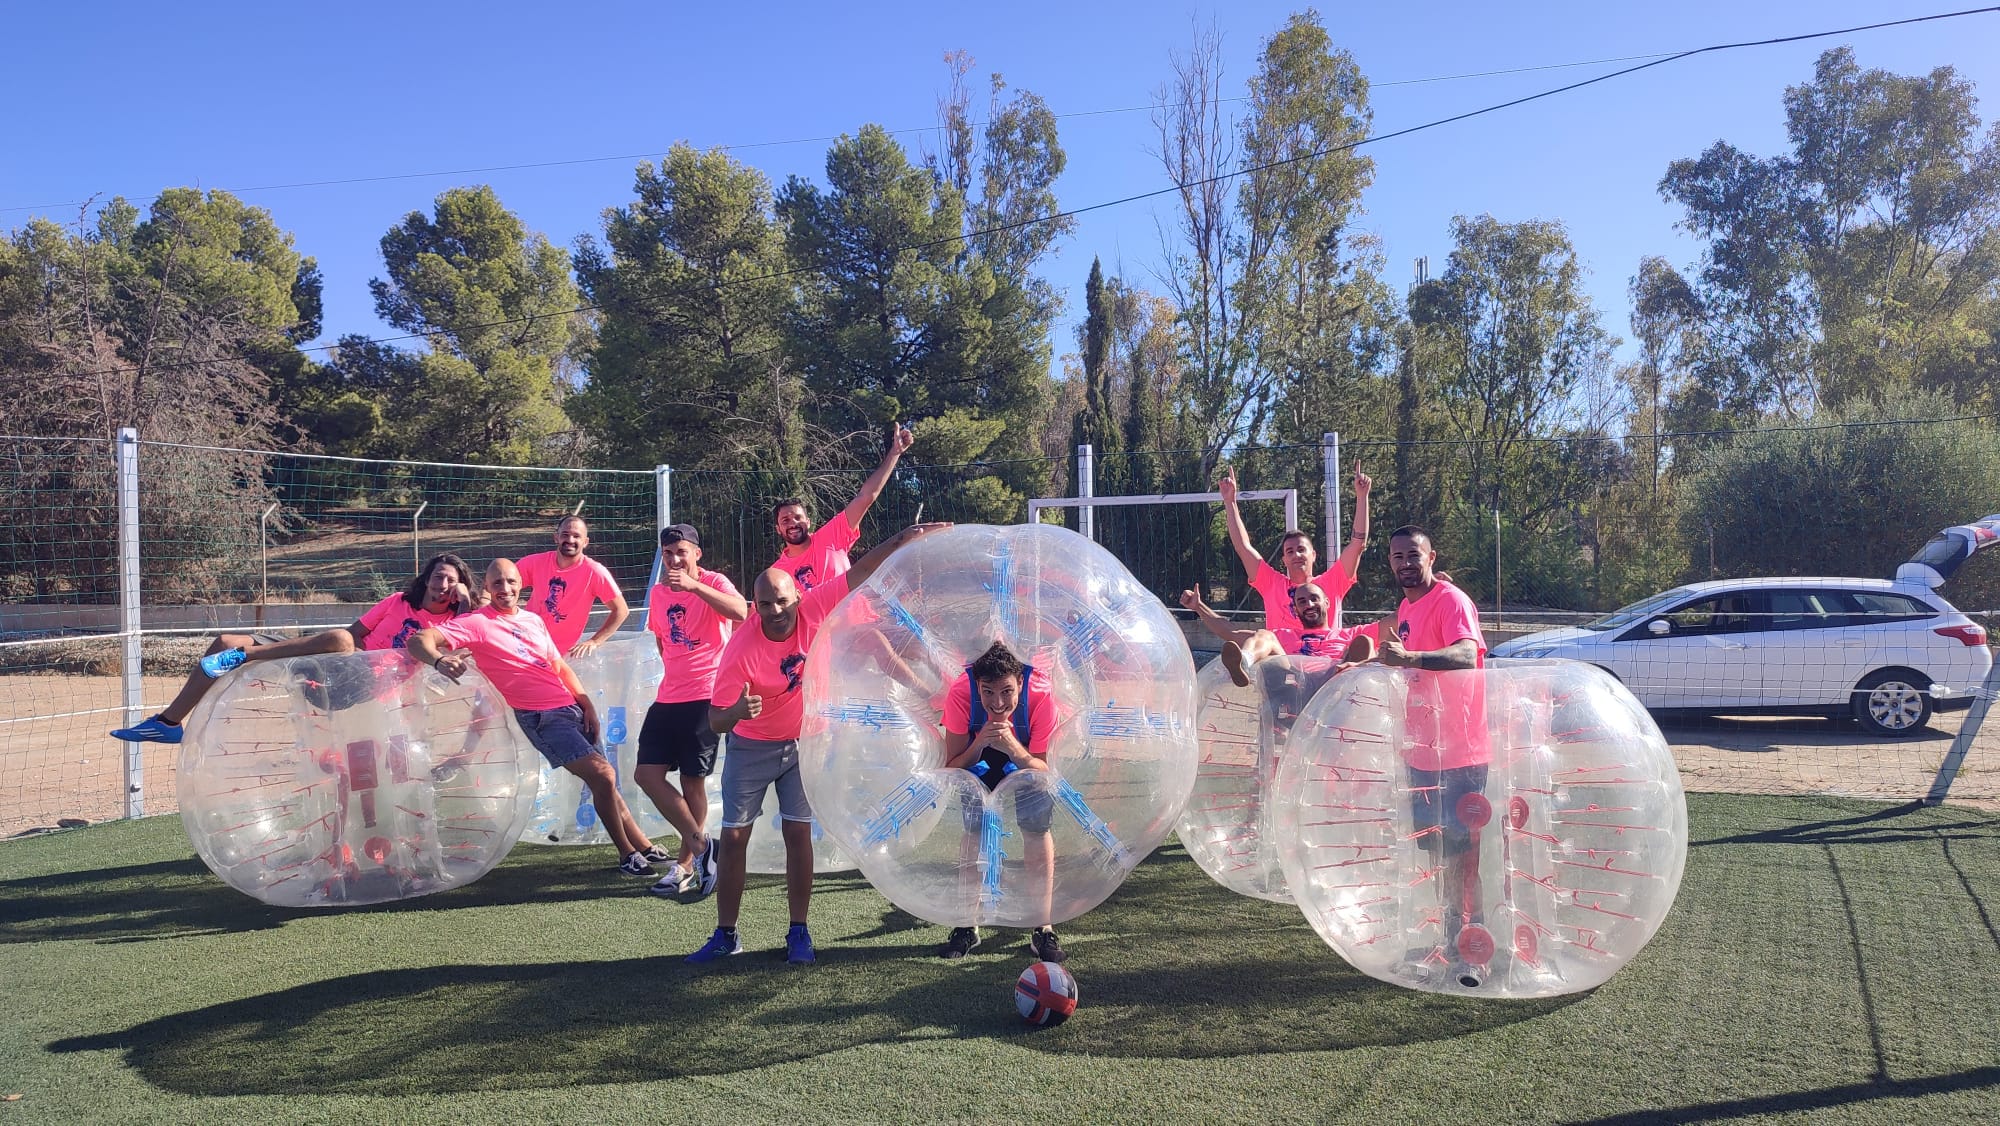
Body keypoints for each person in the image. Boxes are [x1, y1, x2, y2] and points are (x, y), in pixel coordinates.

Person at [689, 521, 952, 967]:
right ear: (755, 605)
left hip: (801, 744)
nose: (775, 611)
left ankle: (798, 931)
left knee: (798, 833)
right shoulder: (741, 649)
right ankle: (726, 934)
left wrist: (905, 536)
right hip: (751, 747)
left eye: (782, 601)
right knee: (734, 838)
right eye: (766, 603)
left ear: (796, 598)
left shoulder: (813, 607)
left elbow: (863, 570)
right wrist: (736, 713)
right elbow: (715, 720)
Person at [405, 559, 665, 877]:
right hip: (541, 718)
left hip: (569, 709)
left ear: (520, 586)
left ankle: (644, 847)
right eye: (497, 583)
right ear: (486, 587)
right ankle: (627, 855)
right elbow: (418, 640)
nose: (506, 589)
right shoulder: (476, 622)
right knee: (603, 776)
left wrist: (586, 705)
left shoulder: (532, 620)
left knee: (604, 782)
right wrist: (440, 660)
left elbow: (558, 667)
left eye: (512, 582)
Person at [111, 553, 482, 744]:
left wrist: (466, 602)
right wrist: (315, 649)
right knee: (224, 642)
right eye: (438, 576)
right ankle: (168, 724)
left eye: (452, 580)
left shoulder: (452, 625)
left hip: (359, 685)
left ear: (461, 587)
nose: (443, 583)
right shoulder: (398, 600)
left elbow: (471, 632)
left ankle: (244, 658)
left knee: (338, 640)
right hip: (336, 661)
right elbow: (354, 634)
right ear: (427, 580)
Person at [1366, 524, 1489, 988]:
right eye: (1397, 556)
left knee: (1463, 856)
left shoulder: (1451, 601)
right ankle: (1448, 937)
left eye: (1412, 555)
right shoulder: (1405, 607)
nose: (1404, 563)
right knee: (1437, 852)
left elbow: (1465, 656)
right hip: (1421, 753)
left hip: (1460, 753)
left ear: (1431, 556)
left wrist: (1412, 658)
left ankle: (1471, 951)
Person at [936, 641, 1067, 964]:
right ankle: (967, 924)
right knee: (974, 829)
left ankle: (1043, 926)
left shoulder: (1041, 694)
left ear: (1020, 682)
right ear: (976, 685)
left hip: (1025, 757)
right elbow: (952, 764)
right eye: (988, 692)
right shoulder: (960, 692)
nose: (998, 703)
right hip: (977, 755)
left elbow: (1044, 770)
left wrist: (1014, 750)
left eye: (1007, 691)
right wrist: (980, 742)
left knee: (1036, 827)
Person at [635, 524, 745, 899]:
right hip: (669, 695)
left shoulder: (715, 581)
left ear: (697, 553)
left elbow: (740, 612)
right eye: (668, 554)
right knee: (646, 775)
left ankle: (684, 866)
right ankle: (702, 848)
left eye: (682, 552)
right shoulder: (658, 592)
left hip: (707, 695)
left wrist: (695, 587)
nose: (675, 559)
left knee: (691, 781)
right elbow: (662, 641)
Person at [1218, 464, 1371, 633]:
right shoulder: (1272, 584)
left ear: (1313, 555)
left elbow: (1358, 544)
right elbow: (1242, 547)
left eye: (1301, 549)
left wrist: (1362, 497)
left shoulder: (1331, 582)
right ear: (1284, 560)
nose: (1296, 554)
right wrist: (1230, 502)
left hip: (1323, 658)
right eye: (1289, 551)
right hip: (1283, 659)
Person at [770, 426, 914, 592]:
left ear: (808, 522)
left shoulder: (831, 536)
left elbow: (866, 497)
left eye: (797, 517)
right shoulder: (777, 574)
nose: (793, 523)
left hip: (859, 618)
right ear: (778, 529)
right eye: (785, 520)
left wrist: (894, 453)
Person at [517, 515, 628, 658]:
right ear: (556, 537)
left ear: (585, 542)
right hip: (526, 646)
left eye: (576, 536)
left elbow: (621, 610)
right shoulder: (535, 563)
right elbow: (499, 583)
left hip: (562, 656)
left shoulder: (594, 572)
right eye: (565, 535)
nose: (570, 540)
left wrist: (595, 641)